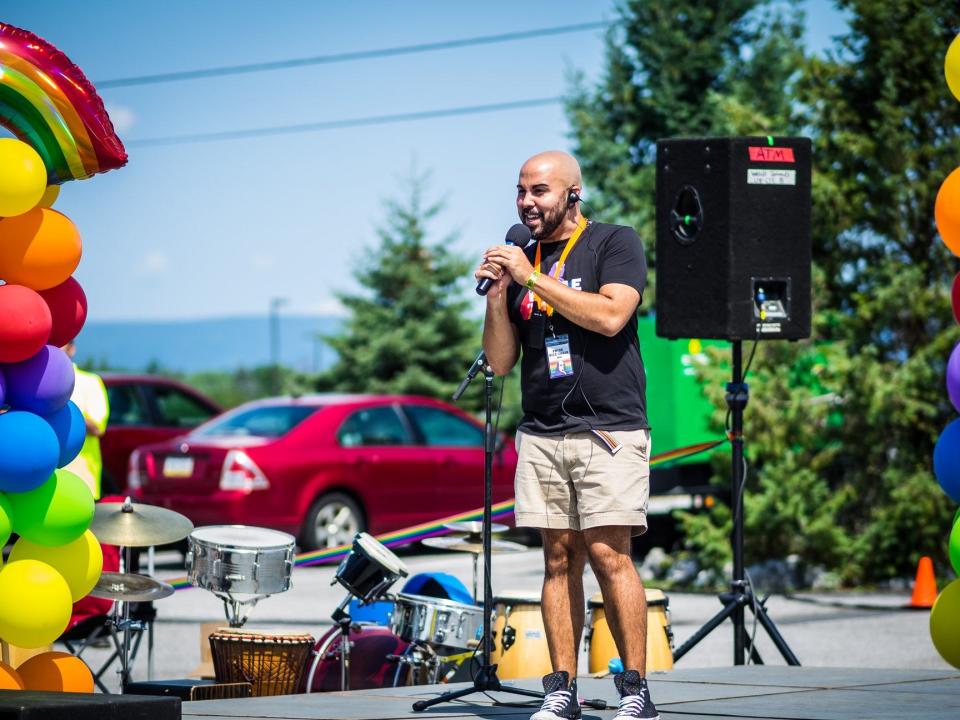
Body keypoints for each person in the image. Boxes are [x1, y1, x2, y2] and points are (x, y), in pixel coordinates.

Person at [476, 151, 659, 720]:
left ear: (573, 194)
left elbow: (610, 317)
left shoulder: (615, 242)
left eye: (540, 191)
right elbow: (500, 361)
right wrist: (499, 295)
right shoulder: (519, 253)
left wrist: (534, 278)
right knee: (557, 560)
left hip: (608, 428)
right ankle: (562, 688)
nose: (527, 203)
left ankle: (636, 691)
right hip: (543, 430)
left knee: (610, 553)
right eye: (521, 192)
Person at [63, 341, 110, 499]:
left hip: (82, 479)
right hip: (44, 477)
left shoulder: (90, 381)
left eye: (60, 344)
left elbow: (97, 428)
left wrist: (61, 408)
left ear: (72, 349)